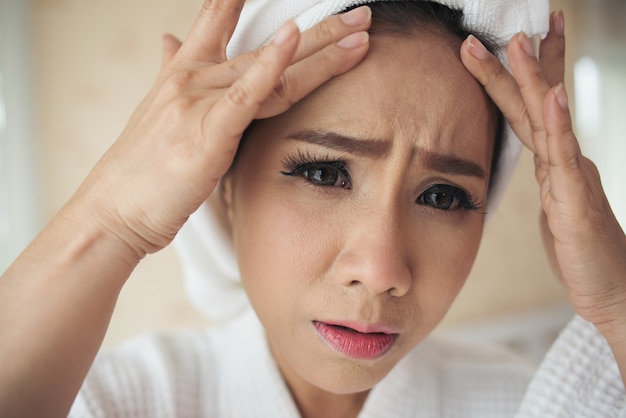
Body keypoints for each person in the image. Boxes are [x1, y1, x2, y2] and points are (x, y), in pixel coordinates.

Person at [0, 0, 625, 417]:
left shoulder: (522, 403)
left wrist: (617, 305)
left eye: (443, 196)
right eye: (325, 173)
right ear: (222, 181)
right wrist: (112, 220)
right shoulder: (125, 400)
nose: (381, 269)